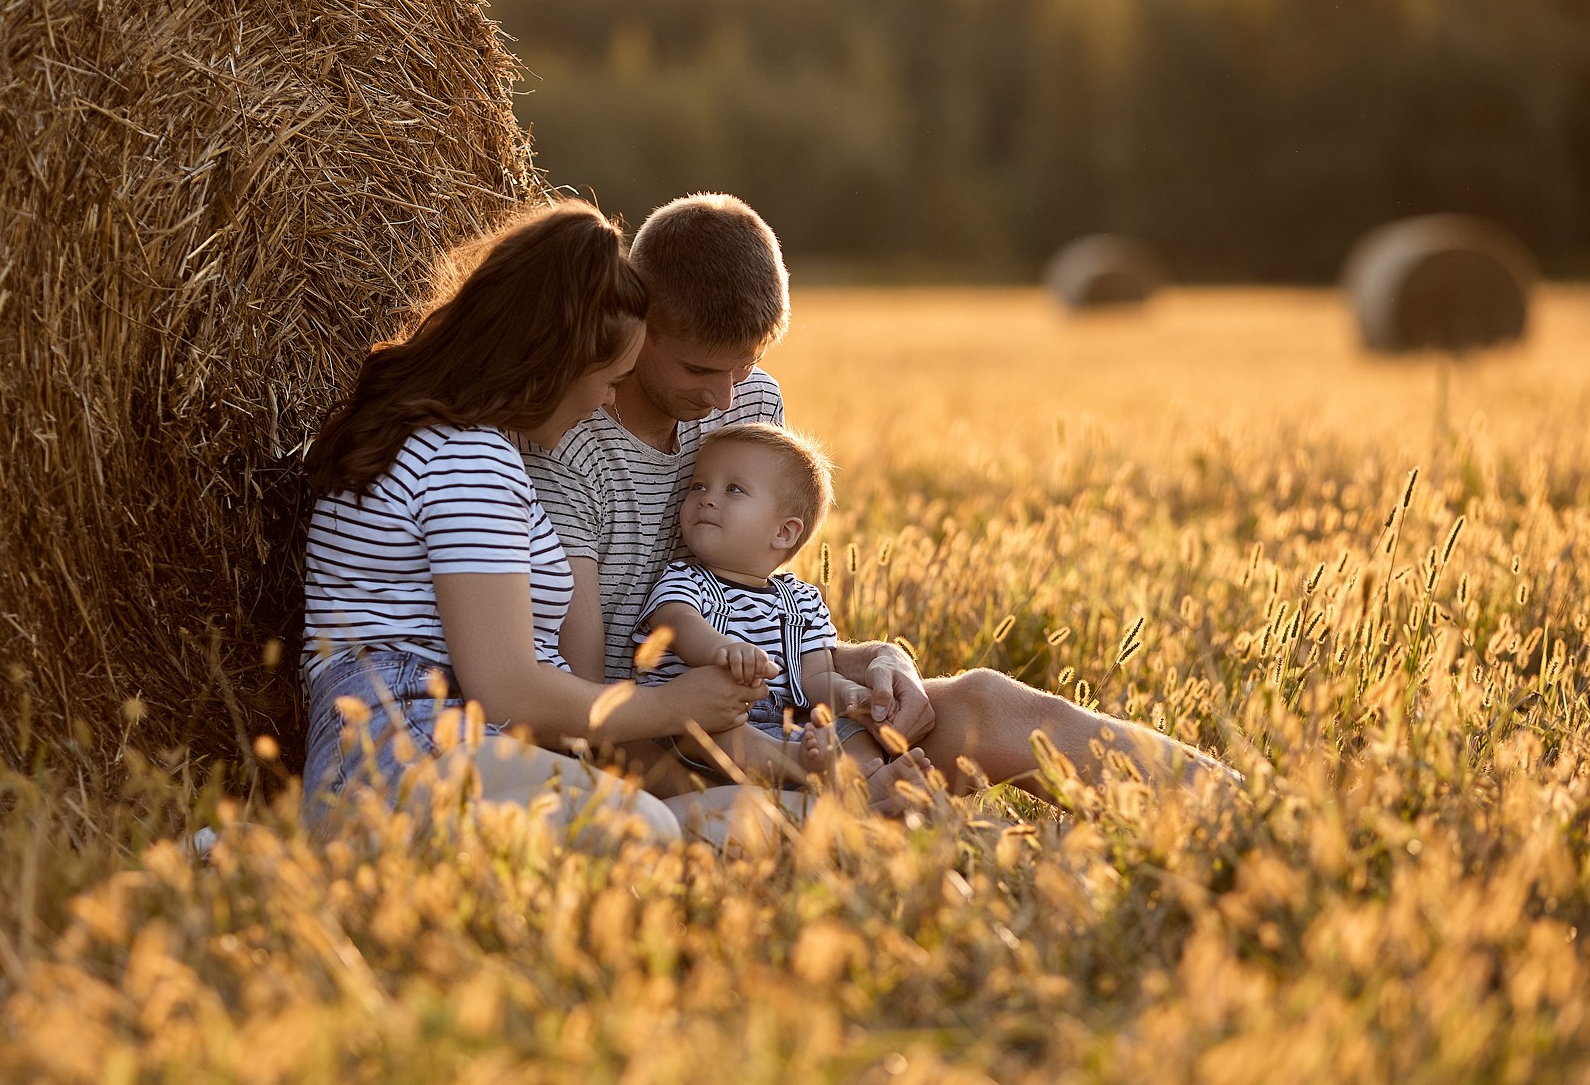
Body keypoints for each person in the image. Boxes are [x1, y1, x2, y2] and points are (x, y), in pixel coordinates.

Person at [524, 193, 1231, 801]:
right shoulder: (574, 442)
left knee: (983, 700)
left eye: (749, 365)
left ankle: (1251, 812)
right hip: (660, 743)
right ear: (638, 320)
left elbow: (764, 605)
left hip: (786, 718)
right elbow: (586, 695)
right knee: (831, 794)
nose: (725, 398)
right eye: (701, 368)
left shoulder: (747, 402)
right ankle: (850, 811)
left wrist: (873, 665)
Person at [299, 201, 772, 842]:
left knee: (744, 827)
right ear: (552, 364)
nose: (609, 401)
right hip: (405, 740)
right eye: (609, 379)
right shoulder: (467, 459)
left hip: (462, 738)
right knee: (648, 834)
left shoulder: (470, 447)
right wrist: (672, 704)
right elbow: (508, 686)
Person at [628, 423, 908, 789]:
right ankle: (802, 768)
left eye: (733, 489)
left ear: (783, 532)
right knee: (715, 732)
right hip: (700, 723)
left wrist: (850, 695)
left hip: (783, 725)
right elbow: (678, 625)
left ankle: (861, 778)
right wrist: (723, 650)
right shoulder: (685, 579)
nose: (706, 498)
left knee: (855, 731)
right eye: (699, 485)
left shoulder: (802, 601)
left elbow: (816, 677)